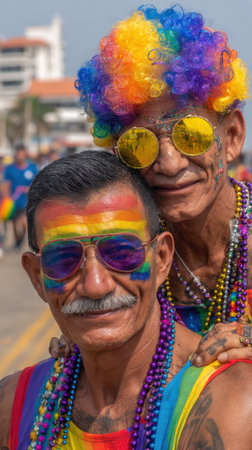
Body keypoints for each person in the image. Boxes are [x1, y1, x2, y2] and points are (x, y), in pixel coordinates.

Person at [0, 151, 251, 449]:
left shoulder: (232, 402)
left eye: (121, 252)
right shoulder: (12, 405)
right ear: (37, 276)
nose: (95, 286)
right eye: (64, 258)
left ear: (161, 259)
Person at [63, 3, 252, 366]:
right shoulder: (128, 258)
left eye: (191, 136)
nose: (168, 162)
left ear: (231, 136)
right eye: (139, 143)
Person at [3, 143, 38, 248]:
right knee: (15, 223)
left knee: (23, 220)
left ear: (25, 154)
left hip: (27, 200)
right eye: (18, 154)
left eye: (22, 154)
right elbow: (5, 185)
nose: (20, 156)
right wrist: (7, 198)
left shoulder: (32, 167)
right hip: (14, 201)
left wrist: (30, 189)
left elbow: (37, 182)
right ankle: (18, 241)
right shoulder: (9, 169)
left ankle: (31, 241)